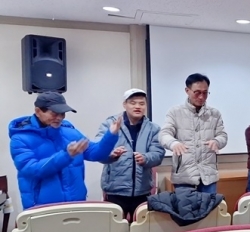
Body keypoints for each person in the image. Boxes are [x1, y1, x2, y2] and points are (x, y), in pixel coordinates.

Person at [9, 91, 121, 209]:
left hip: (76, 202)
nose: (59, 118)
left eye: (62, 113)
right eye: (54, 113)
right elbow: (33, 170)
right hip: (41, 207)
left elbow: (95, 154)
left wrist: (111, 135)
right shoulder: (20, 139)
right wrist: (66, 155)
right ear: (38, 111)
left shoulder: (70, 132)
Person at [97, 89, 165, 220]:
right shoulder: (110, 124)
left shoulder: (153, 129)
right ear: (125, 104)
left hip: (142, 191)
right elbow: (98, 151)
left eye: (141, 103)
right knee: (115, 229)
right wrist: (111, 154)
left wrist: (146, 158)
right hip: (115, 190)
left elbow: (158, 154)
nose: (137, 107)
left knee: (141, 228)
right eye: (133, 103)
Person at [159, 73, 228, 193]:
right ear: (187, 90)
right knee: (185, 205)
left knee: (210, 205)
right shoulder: (175, 112)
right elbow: (164, 134)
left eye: (205, 93)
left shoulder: (214, 114)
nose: (201, 97)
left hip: (208, 175)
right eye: (197, 92)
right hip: (184, 175)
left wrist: (217, 141)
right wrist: (173, 143)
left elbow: (223, 135)